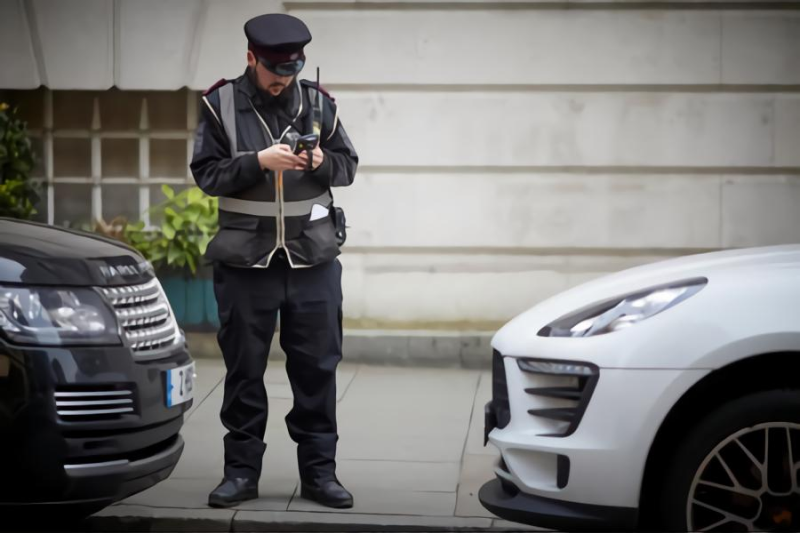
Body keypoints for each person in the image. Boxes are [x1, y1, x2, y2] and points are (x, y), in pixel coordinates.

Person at [190, 12, 358, 509]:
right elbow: (207, 174)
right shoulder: (219, 104)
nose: (284, 78)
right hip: (246, 264)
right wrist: (258, 162)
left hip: (313, 262)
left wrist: (322, 162)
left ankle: (319, 474)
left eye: (293, 68)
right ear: (251, 59)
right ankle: (241, 474)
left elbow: (348, 165)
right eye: (274, 69)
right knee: (244, 373)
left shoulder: (319, 103)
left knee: (317, 372)